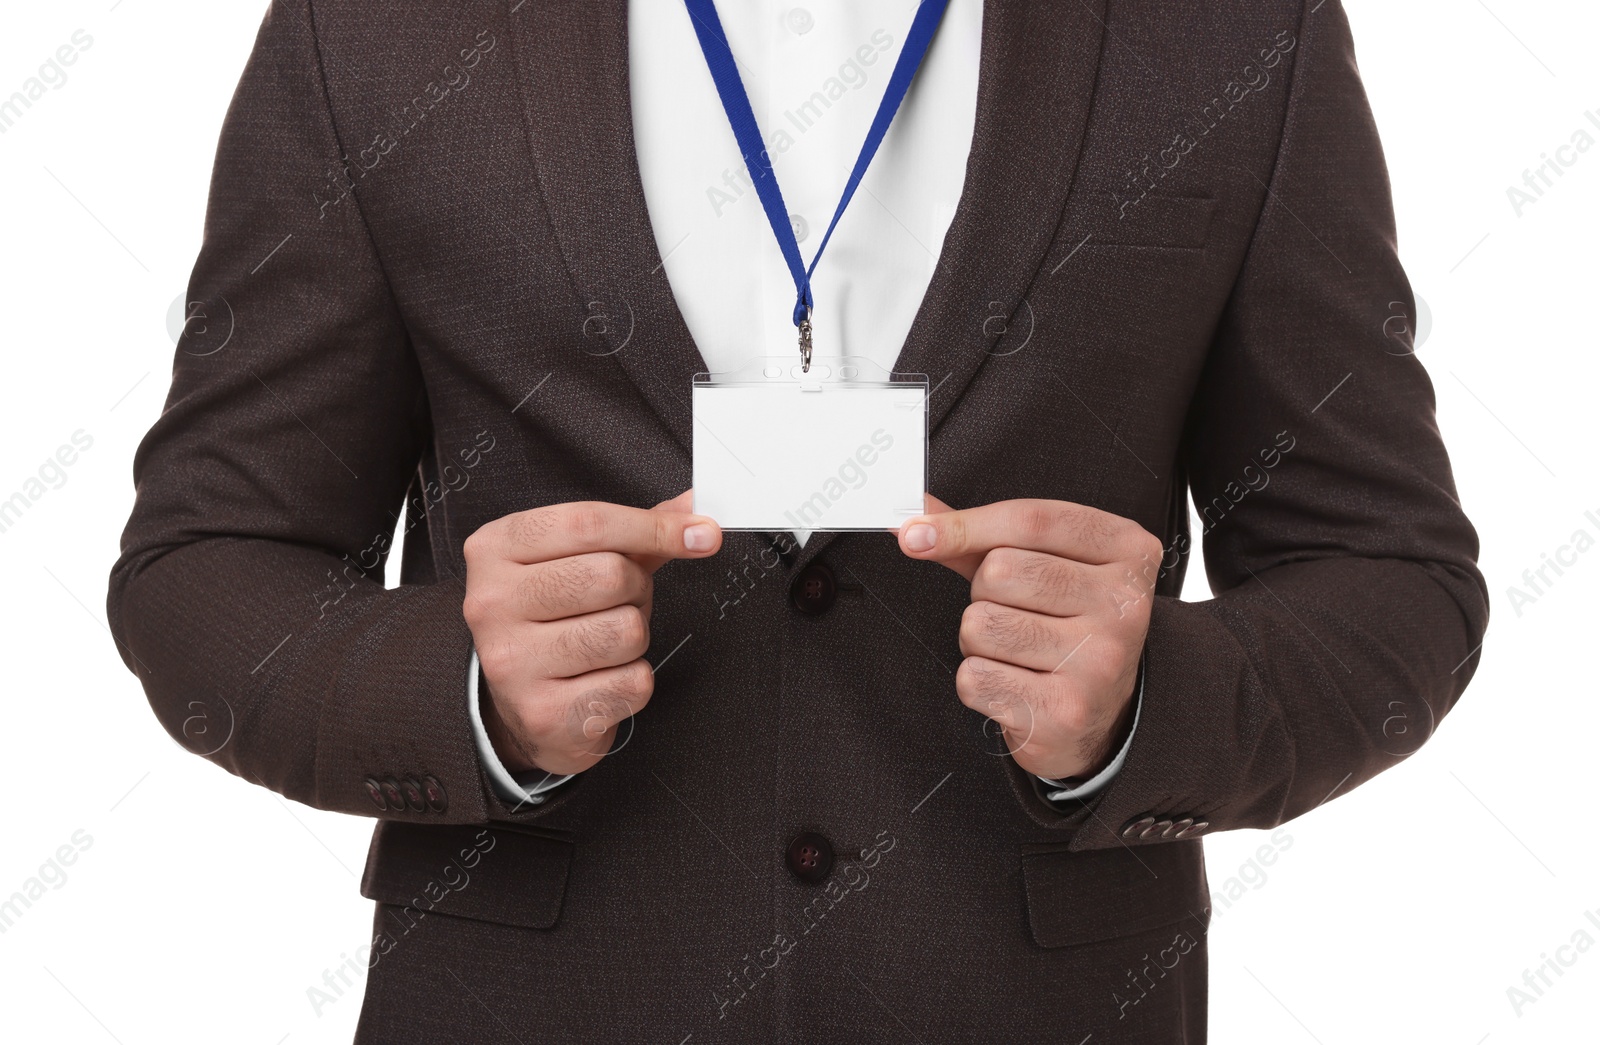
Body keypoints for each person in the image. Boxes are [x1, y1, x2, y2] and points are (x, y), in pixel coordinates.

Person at [108, 1, 1487, 1041]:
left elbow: (1391, 574)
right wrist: (467, 693)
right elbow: (207, 563)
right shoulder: (377, 30)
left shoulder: (1236, 30)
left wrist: (1144, 704)